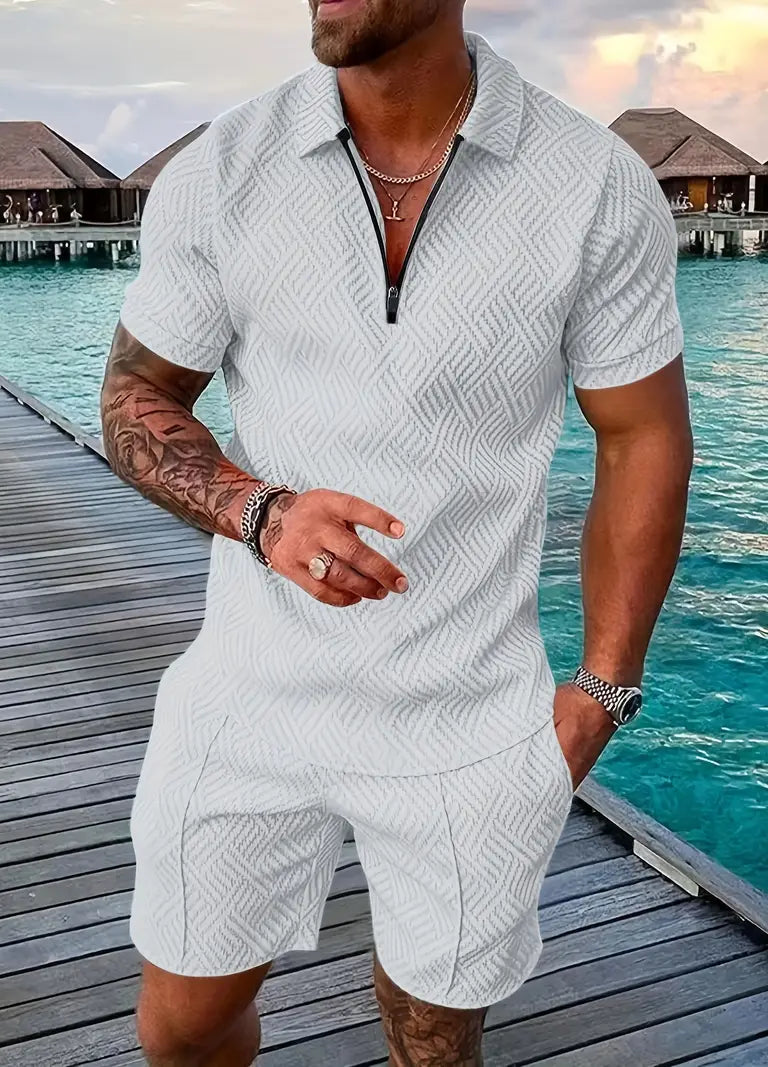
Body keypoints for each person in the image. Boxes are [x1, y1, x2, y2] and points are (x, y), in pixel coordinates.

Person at [101, 3, 693, 1064]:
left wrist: (603, 689)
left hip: (468, 716)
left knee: (434, 1038)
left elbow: (640, 433)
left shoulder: (592, 183)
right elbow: (136, 394)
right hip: (246, 695)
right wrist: (261, 512)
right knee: (181, 1028)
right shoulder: (223, 169)